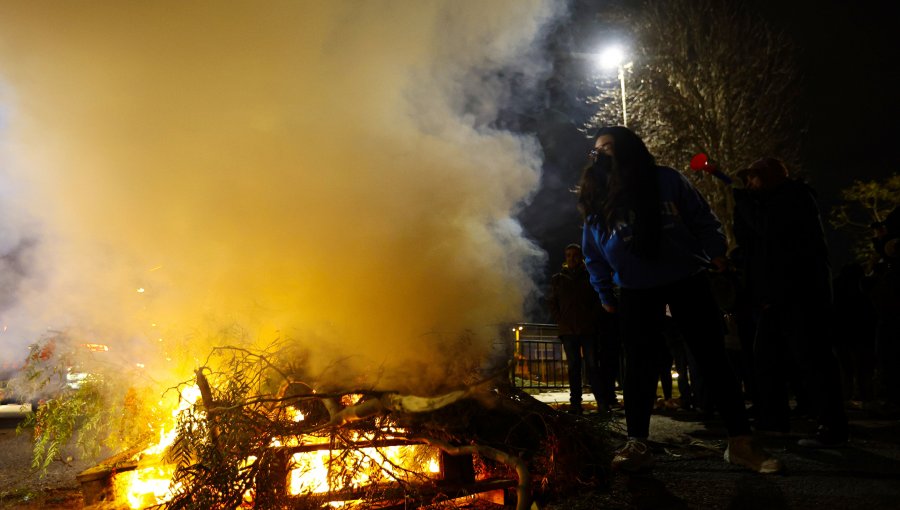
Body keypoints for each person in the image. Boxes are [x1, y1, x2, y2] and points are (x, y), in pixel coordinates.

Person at [577, 126, 781, 473]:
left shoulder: (666, 180)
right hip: (635, 290)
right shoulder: (598, 195)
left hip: (686, 279)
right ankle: (637, 442)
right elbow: (592, 249)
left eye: (609, 147)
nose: (601, 155)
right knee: (639, 368)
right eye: (597, 150)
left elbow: (703, 218)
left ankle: (741, 442)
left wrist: (715, 252)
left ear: (630, 149)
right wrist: (602, 290)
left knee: (713, 358)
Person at [732, 157, 848, 446]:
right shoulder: (764, 203)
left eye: (754, 178)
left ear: (770, 177)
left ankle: (832, 427)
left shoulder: (794, 197)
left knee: (813, 360)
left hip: (801, 294)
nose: (749, 184)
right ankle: (774, 424)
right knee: (766, 359)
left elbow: (768, 229)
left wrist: (744, 203)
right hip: (775, 297)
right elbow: (749, 243)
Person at [547, 243, 618, 414]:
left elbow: (597, 301)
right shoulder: (558, 279)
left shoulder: (589, 276)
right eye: (569, 255)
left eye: (575, 255)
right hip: (568, 331)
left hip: (587, 330)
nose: (572, 258)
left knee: (593, 366)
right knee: (573, 368)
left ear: (581, 257)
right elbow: (552, 302)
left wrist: (591, 319)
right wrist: (561, 321)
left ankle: (601, 403)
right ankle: (575, 404)